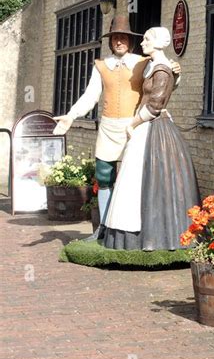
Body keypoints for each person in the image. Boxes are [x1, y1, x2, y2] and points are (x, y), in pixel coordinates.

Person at [53, 15, 180, 240]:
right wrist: (71, 116)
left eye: (123, 38)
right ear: (110, 41)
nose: (119, 42)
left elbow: (162, 83)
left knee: (133, 176)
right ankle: (103, 228)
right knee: (104, 175)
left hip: (134, 125)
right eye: (115, 38)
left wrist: (176, 73)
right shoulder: (101, 66)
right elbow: (90, 96)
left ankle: (133, 231)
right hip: (109, 126)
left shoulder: (144, 62)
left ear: (129, 41)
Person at [103, 26, 200, 251]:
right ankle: (135, 237)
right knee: (139, 181)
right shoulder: (151, 66)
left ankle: (158, 238)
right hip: (145, 127)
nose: (143, 42)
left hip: (153, 127)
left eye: (146, 39)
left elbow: (156, 105)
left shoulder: (161, 69)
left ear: (157, 43)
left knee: (152, 180)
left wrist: (133, 123)